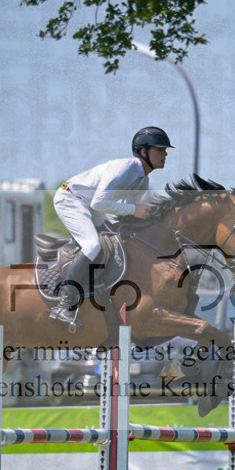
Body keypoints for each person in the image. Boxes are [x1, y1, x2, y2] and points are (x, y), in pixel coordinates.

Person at [49, 126, 174, 326]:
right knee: (93, 246)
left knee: (115, 243)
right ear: (143, 151)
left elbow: (124, 212)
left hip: (88, 204)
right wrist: (134, 210)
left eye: (165, 150)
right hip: (71, 199)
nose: (165, 153)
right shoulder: (126, 168)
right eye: (160, 149)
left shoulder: (143, 179)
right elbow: (100, 203)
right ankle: (63, 304)